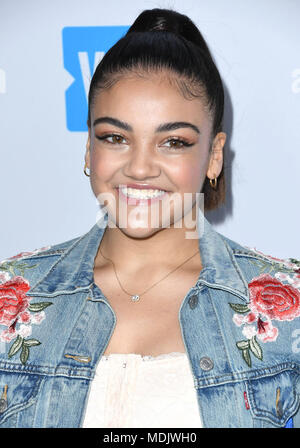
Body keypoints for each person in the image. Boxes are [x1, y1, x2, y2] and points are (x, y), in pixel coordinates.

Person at [0, 8, 299, 429]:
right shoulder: (9, 296)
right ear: (89, 147)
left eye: (173, 141)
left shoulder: (291, 312)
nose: (140, 168)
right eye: (115, 137)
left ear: (214, 155)